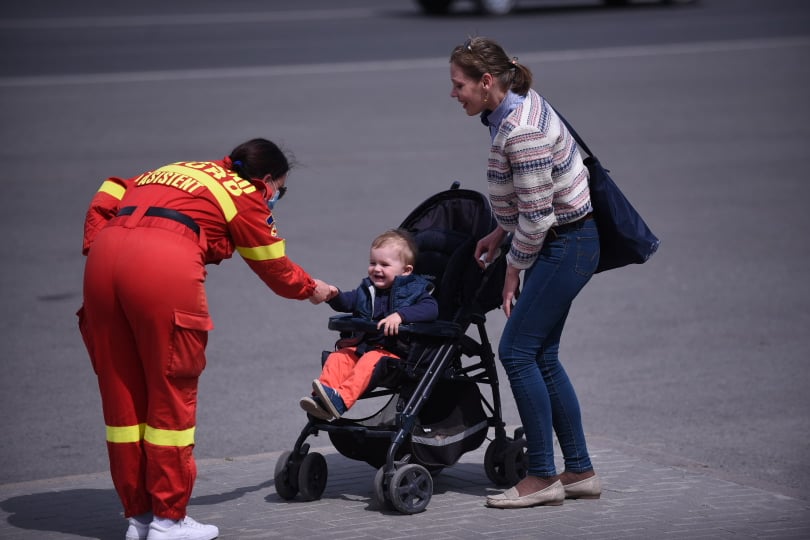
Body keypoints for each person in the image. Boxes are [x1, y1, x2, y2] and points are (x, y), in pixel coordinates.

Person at [77, 138, 337, 540]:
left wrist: (98, 239)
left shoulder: (182, 168)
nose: (275, 198)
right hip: (161, 268)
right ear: (266, 180)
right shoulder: (243, 193)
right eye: (279, 191)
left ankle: (139, 518)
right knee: (170, 399)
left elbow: (111, 187)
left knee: (122, 400)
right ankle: (168, 521)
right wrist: (311, 288)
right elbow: (273, 266)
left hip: (103, 263)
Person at [449, 37, 602, 508]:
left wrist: (512, 269)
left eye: (459, 85)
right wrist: (500, 231)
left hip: (564, 245)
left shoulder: (521, 131)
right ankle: (578, 471)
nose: (454, 94)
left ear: (487, 81)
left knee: (516, 352)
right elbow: (533, 194)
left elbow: (538, 217)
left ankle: (541, 476)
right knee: (542, 356)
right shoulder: (514, 108)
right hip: (561, 240)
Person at [299, 229, 439, 421]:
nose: (376, 269)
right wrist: (334, 294)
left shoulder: (414, 291)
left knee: (370, 359)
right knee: (339, 358)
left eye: (384, 264)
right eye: (373, 263)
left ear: (405, 271)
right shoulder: (368, 290)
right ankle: (323, 400)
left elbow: (431, 309)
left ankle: (340, 400)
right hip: (365, 348)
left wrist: (401, 315)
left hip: (396, 356)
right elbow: (348, 301)